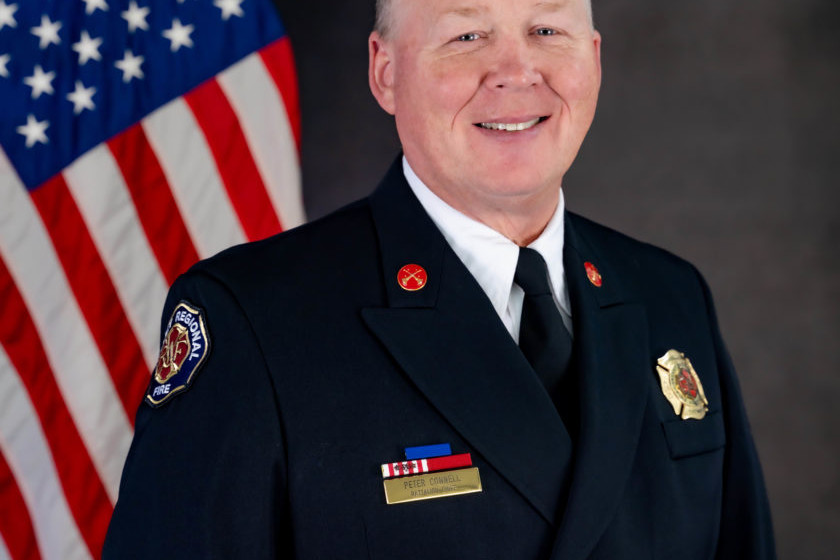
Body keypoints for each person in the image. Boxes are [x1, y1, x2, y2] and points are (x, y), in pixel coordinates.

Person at [103, 0, 776, 558]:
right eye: (466, 35)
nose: (516, 72)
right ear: (386, 73)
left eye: (547, 30)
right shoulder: (255, 322)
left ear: (593, 60)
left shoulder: (670, 295)